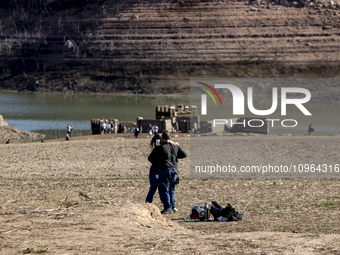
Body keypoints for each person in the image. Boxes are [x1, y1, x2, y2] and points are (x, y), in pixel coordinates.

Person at [148, 130, 187, 214]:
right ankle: (173, 207)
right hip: (175, 170)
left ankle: (167, 208)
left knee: (164, 190)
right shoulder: (175, 145)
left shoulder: (160, 146)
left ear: (163, 138)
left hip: (165, 169)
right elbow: (185, 154)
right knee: (172, 189)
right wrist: (175, 155)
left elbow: (151, 156)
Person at [146, 134, 179, 204]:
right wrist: (169, 141)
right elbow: (150, 157)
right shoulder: (157, 145)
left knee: (166, 189)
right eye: (161, 137)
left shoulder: (164, 146)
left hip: (163, 170)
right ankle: (148, 204)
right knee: (153, 188)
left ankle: (171, 205)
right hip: (155, 170)